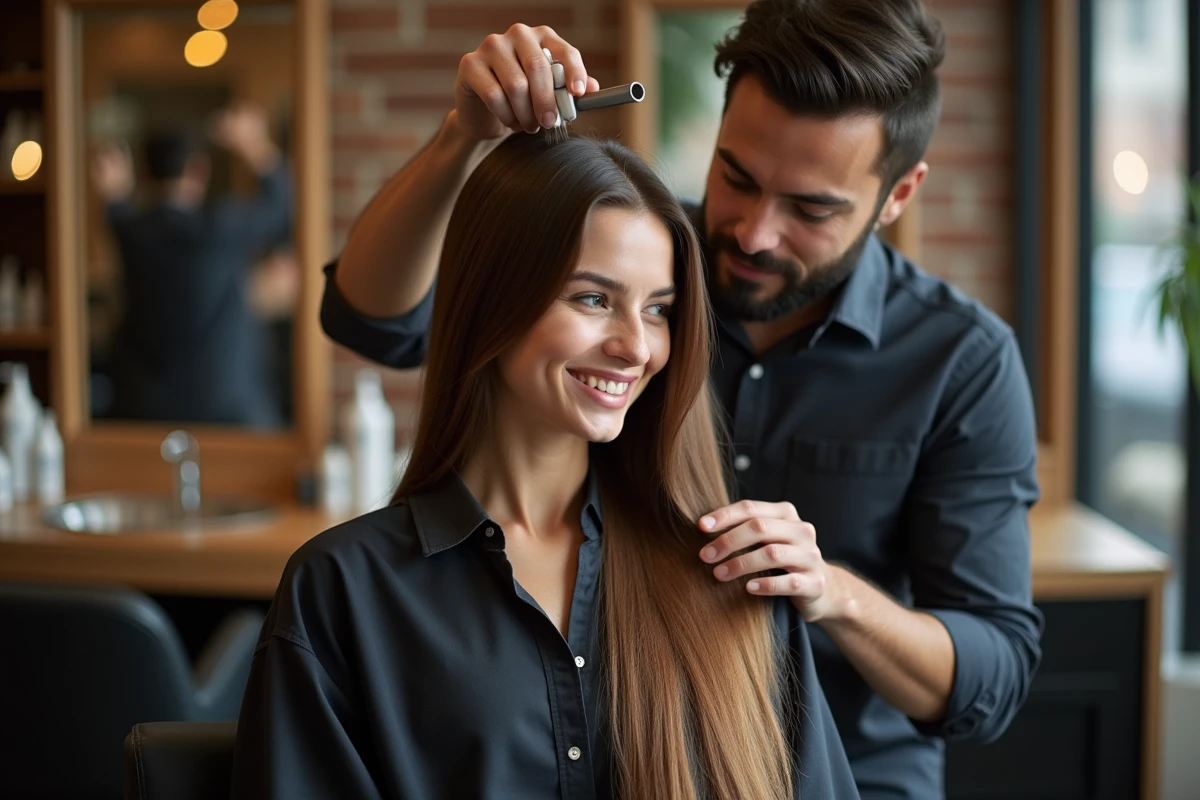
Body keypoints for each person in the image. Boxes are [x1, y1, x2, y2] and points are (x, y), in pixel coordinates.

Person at [317, 1, 1044, 797]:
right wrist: (464, 136)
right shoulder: (649, 257)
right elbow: (371, 320)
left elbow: (991, 677)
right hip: (638, 758)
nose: (756, 233)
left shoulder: (960, 360)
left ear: (899, 194)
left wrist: (828, 593)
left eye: (811, 209)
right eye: (737, 177)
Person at [231, 130, 859, 799]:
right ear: (492, 301)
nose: (634, 346)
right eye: (592, 298)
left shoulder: (732, 574)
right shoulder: (343, 593)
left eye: (659, 311)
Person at [90, 102, 291, 428]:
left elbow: (116, 204)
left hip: (143, 412)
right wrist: (254, 145)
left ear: (145, 172)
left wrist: (114, 191)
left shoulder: (130, 232)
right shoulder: (224, 226)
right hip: (229, 411)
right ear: (199, 170)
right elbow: (280, 202)